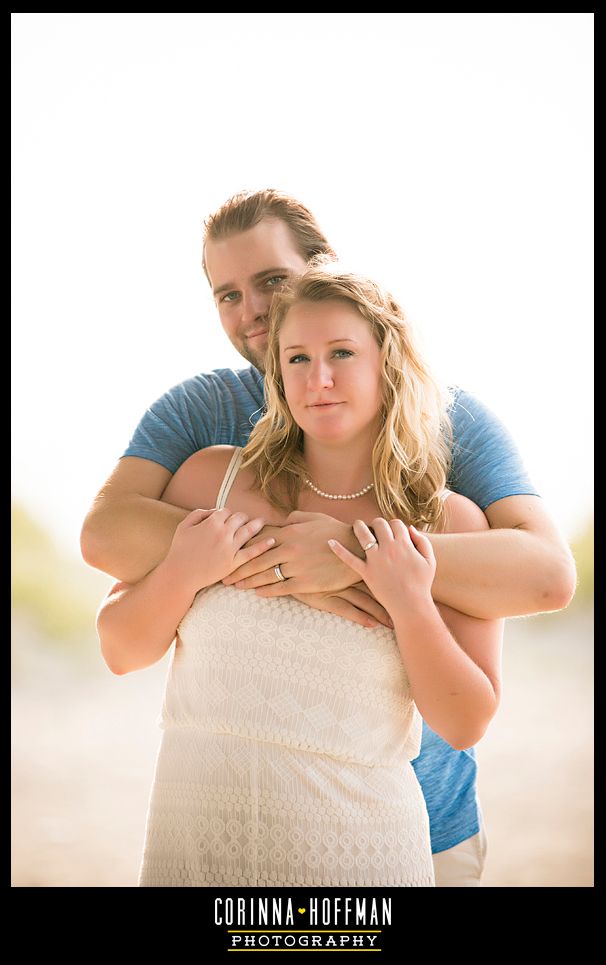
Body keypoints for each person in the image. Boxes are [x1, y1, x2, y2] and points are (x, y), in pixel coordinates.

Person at [81, 189, 576, 886]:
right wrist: (261, 553)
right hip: (206, 836)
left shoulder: (450, 430)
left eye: (272, 283)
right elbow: (106, 538)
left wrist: (360, 558)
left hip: (412, 820)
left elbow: (546, 576)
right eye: (227, 293)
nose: (253, 311)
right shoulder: (206, 434)